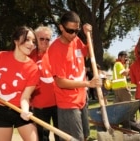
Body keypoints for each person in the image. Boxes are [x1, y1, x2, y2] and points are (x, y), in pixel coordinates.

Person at [42, 11, 102, 141]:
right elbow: (61, 82)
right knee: (75, 139)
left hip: (82, 99)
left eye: (77, 30)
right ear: (61, 27)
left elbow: (87, 51)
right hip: (68, 103)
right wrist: (88, 84)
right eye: (70, 31)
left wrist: (88, 35)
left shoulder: (76, 40)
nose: (74, 34)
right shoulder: (55, 49)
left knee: (85, 136)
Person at [0, 26, 40, 141]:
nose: (31, 44)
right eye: (27, 39)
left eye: (33, 41)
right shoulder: (0, 57)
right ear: (16, 41)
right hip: (1, 110)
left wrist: (25, 110)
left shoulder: (33, 68)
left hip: (21, 109)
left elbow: (25, 97)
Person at [29, 25, 59, 141]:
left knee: (60, 134)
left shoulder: (55, 53)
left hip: (58, 103)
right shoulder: (29, 55)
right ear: (35, 39)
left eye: (48, 39)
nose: (45, 42)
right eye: (42, 39)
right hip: (39, 104)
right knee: (42, 137)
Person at [111, 51, 132, 128]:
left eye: (126, 57)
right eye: (124, 57)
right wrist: (127, 65)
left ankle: (116, 125)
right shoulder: (119, 64)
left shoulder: (117, 64)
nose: (125, 59)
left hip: (117, 89)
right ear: (119, 57)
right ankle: (127, 125)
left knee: (117, 108)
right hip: (122, 89)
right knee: (127, 106)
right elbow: (125, 73)